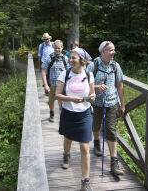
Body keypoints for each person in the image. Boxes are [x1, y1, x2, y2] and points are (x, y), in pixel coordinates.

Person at [55, 49, 95, 191]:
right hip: (68, 113)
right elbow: (57, 95)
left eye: (74, 58)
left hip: (84, 114)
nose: (71, 60)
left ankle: (85, 180)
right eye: (70, 58)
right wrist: (71, 99)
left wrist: (92, 97)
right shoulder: (64, 74)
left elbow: (92, 93)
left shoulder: (89, 74)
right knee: (68, 138)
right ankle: (66, 155)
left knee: (84, 147)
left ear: (81, 60)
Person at [86, 41, 125, 176]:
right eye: (111, 50)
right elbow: (84, 83)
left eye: (114, 50)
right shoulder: (93, 66)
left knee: (111, 130)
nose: (113, 52)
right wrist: (97, 87)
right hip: (96, 102)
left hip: (112, 102)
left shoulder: (116, 66)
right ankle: (96, 142)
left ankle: (114, 162)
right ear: (103, 52)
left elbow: (119, 85)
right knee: (96, 126)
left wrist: (123, 104)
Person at [41, 40, 68, 122]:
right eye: (56, 48)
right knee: (51, 100)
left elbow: (70, 71)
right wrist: (45, 85)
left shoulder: (65, 59)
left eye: (59, 48)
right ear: (53, 48)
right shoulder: (49, 58)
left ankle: (62, 116)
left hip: (62, 85)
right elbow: (43, 71)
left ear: (62, 48)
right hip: (51, 85)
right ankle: (52, 113)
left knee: (62, 101)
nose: (57, 50)